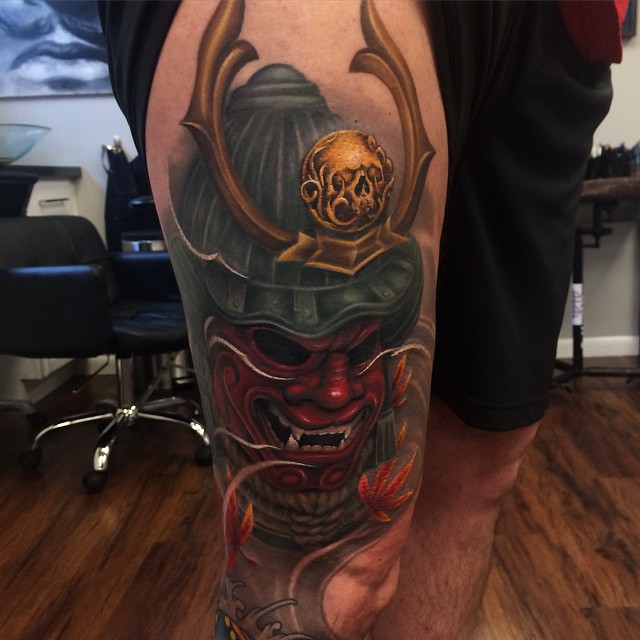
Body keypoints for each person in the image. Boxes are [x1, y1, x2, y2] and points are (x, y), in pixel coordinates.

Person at [98, 1, 625, 638]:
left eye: (359, 350)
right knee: (319, 584)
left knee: (476, 466)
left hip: (565, 26)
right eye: (286, 349)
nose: (337, 393)